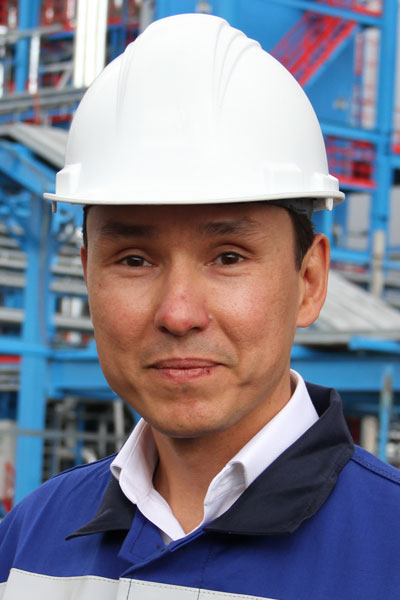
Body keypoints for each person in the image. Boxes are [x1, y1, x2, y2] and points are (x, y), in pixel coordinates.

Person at [1, 13, 400, 600]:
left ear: (310, 280)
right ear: (87, 275)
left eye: (229, 257)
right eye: (134, 259)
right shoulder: (26, 544)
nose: (179, 313)